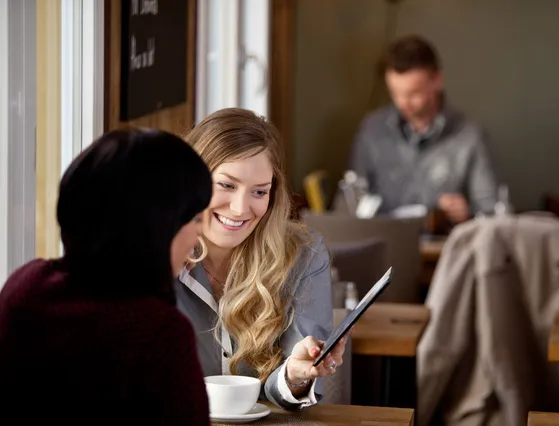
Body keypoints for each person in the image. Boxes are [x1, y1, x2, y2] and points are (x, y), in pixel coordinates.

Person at [0, 129, 213, 425]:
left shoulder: (24, 287)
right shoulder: (158, 333)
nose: (198, 232)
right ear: (157, 226)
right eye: (193, 218)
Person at [178, 107, 348, 411]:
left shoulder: (303, 256)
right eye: (227, 185)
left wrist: (296, 374)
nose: (241, 209)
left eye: (259, 192)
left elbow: (286, 387)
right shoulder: (155, 251)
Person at [350, 34, 499, 223]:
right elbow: (352, 201)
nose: (403, 103)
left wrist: (466, 213)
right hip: (384, 245)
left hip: (444, 248)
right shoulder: (372, 129)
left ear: (436, 80)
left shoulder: (470, 136)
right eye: (395, 93)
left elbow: (491, 211)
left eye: (413, 94)